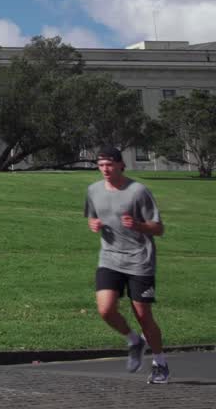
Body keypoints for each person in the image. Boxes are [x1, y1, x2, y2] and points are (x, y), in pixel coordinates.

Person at [84, 145, 168, 384]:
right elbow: (92, 215)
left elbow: (159, 228)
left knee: (143, 315)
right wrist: (94, 224)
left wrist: (138, 225)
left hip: (140, 260)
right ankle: (134, 340)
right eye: (100, 165)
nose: (105, 169)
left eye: (109, 164)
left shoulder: (138, 191)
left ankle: (160, 363)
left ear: (121, 165)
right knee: (105, 309)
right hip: (109, 257)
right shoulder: (93, 190)